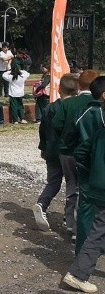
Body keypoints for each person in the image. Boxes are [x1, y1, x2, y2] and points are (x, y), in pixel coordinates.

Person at [63, 79, 105, 293]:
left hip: (93, 178)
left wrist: (91, 169)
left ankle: (80, 267)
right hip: (96, 180)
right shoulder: (93, 113)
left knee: (96, 224)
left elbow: (78, 149)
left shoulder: (90, 117)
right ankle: (79, 271)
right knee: (97, 226)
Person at [52, 69, 99, 239]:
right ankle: (81, 227)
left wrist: (65, 140)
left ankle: (69, 223)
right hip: (89, 153)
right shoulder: (97, 104)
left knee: (71, 186)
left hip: (67, 152)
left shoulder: (68, 103)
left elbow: (56, 124)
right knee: (85, 189)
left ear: (79, 85)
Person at [34, 73, 78, 231]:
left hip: (52, 150)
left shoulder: (49, 108)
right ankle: (69, 216)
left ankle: (41, 204)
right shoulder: (76, 108)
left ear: (59, 89)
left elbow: (43, 130)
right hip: (69, 151)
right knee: (73, 184)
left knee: (53, 182)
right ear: (77, 90)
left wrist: (43, 148)